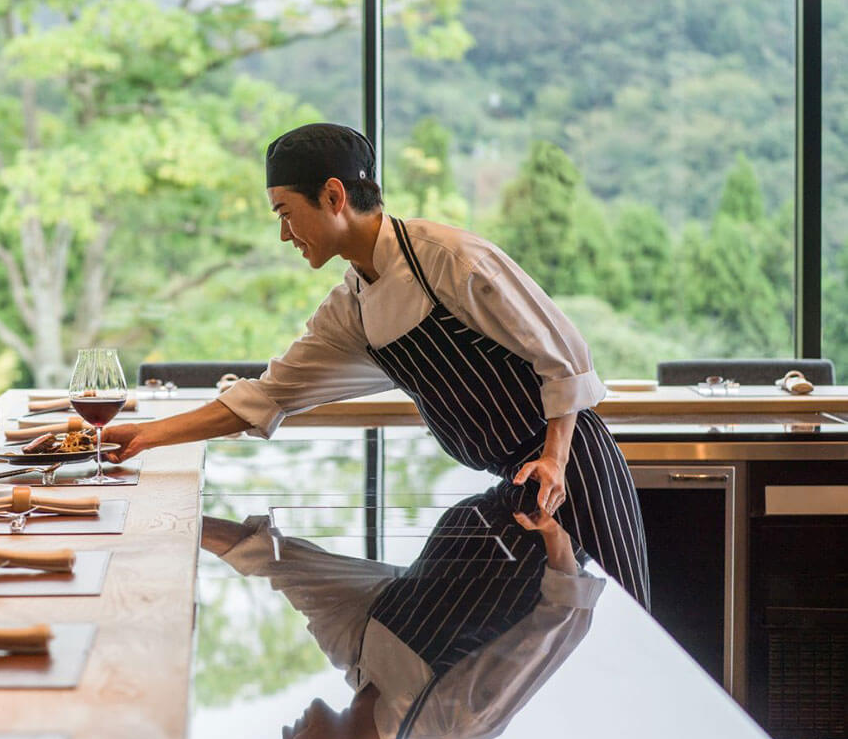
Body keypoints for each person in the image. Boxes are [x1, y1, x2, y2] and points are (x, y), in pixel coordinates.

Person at [106, 122, 650, 607]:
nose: (283, 234)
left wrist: (555, 456)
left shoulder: (449, 258)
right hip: (515, 486)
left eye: (285, 213)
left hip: (575, 474)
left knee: (624, 652)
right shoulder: (353, 306)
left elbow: (569, 357)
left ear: (334, 195)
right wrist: (143, 438)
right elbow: (268, 396)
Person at [201, 491, 603, 739]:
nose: (286, 734)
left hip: (524, 474)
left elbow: (272, 560)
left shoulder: (352, 643)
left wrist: (171, 526)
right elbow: (565, 614)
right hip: (583, 514)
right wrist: (552, 529)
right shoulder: (451, 720)